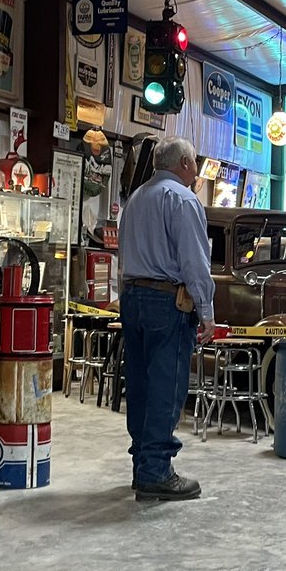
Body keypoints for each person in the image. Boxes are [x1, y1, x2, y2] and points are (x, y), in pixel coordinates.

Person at [118, 136, 216, 502]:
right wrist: (206, 310)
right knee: (166, 385)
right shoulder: (182, 199)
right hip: (166, 301)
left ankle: (141, 466)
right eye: (194, 164)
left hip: (133, 296)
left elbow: (122, 254)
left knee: (141, 385)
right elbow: (194, 261)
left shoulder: (136, 199)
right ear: (186, 164)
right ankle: (157, 470)